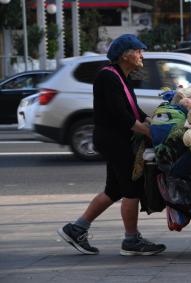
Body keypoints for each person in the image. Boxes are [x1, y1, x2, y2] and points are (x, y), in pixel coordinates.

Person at [57, 34, 166, 256]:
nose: (141, 55)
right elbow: (121, 116)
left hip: (116, 139)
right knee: (132, 188)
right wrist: (150, 133)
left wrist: (154, 122)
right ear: (125, 54)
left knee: (113, 190)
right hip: (114, 140)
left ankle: (76, 228)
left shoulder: (121, 76)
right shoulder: (107, 77)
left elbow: (133, 110)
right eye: (138, 51)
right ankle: (131, 240)